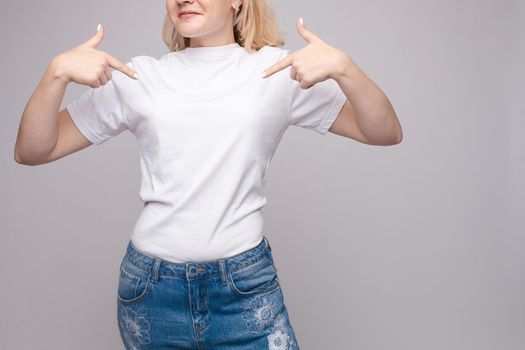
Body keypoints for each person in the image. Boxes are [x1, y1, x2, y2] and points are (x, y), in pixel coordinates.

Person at [14, 0, 402, 348]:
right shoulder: (138, 78)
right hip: (151, 292)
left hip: (243, 289)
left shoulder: (277, 71)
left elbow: (383, 131)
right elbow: (33, 150)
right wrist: (55, 75)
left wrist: (346, 69)